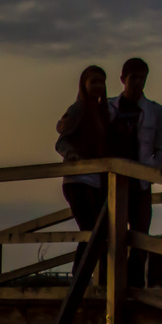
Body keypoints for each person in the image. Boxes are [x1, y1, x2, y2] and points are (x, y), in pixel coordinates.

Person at [108, 57, 162, 289]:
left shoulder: (154, 111)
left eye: (142, 78)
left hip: (141, 185)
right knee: (112, 237)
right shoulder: (109, 108)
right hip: (112, 183)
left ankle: (134, 287)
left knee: (140, 237)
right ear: (123, 79)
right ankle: (110, 285)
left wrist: (151, 172)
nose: (138, 83)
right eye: (133, 78)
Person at [55, 65, 111, 277]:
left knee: (99, 232)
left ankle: (95, 277)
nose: (98, 86)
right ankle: (80, 279)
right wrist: (72, 156)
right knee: (90, 230)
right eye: (93, 81)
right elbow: (61, 141)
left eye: (102, 82)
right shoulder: (79, 109)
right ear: (84, 84)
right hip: (77, 180)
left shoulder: (103, 111)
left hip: (96, 179)